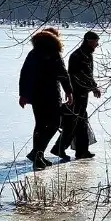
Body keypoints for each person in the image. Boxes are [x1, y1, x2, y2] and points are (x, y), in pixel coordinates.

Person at [19, 28, 73, 170]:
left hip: (36, 96)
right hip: (51, 95)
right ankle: (38, 154)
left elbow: (24, 74)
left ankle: (38, 155)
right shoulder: (54, 53)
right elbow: (63, 74)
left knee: (40, 125)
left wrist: (23, 95)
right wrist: (69, 91)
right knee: (55, 123)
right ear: (54, 39)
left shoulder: (33, 53)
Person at [55, 31, 101, 159]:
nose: (97, 44)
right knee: (74, 121)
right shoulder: (78, 55)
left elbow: (87, 75)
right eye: (96, 41)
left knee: (81, 121)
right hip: (77, 93)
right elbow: (79, 76)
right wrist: (92, 87)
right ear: (88, 40)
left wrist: (93, 87)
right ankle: (60, 148)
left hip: (82, 92)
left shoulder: (86, 54)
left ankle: (81, 151)